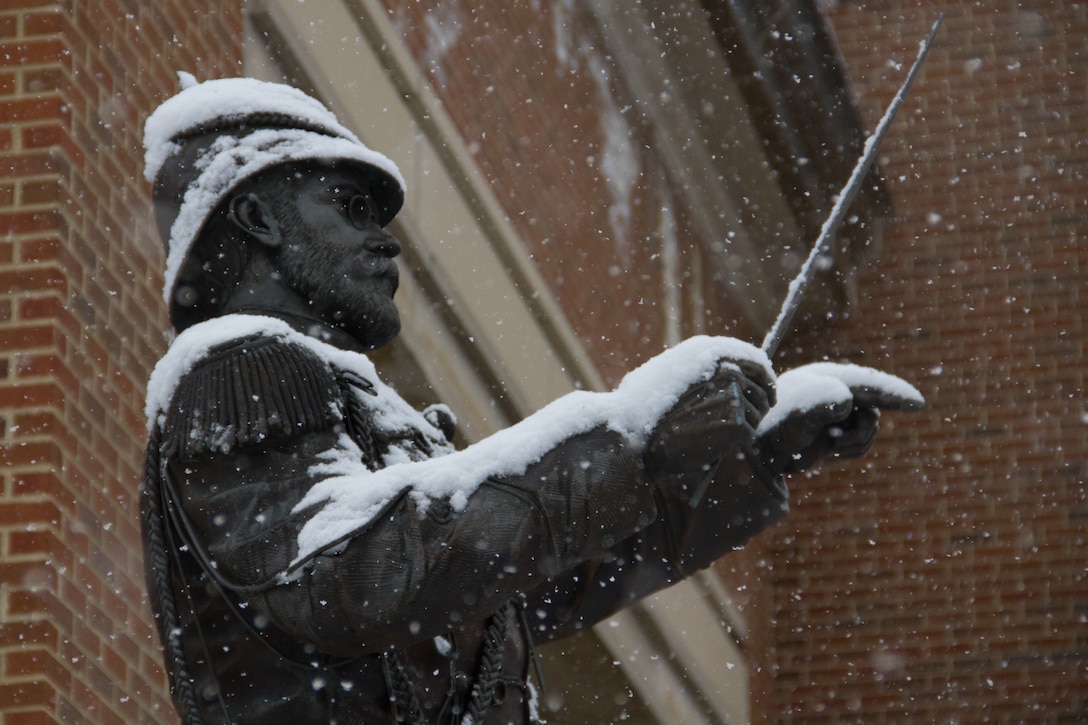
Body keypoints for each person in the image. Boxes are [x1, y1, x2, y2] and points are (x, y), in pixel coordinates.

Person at [140, 75, 923, 725]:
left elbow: (520, 590)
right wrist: (632, 440)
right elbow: (350, 580)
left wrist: (737, 459)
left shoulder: (362, 412)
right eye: (349, 208)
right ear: (255, 214)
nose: (387, 241)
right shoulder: (238, 369)